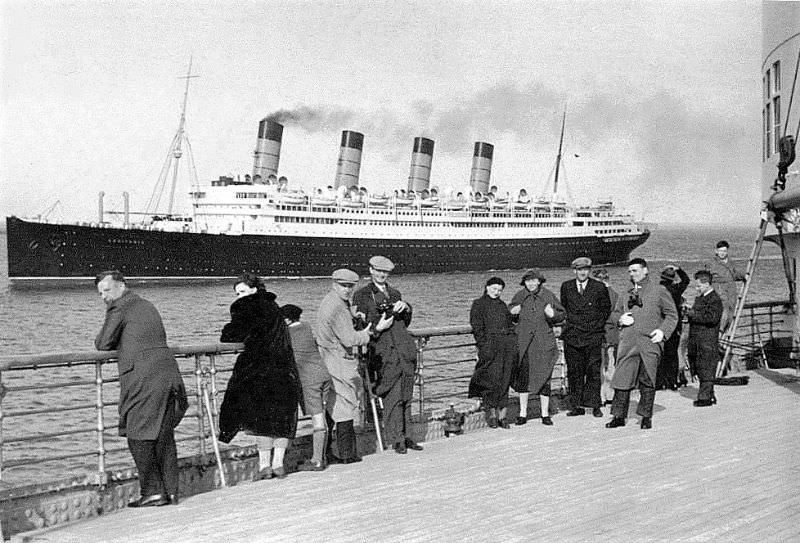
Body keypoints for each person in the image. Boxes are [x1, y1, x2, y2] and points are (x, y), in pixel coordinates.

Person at [94, 270, 188, 507]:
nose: (104, 296)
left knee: (137, 434)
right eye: (100, 293)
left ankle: (153, 491)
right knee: (163, 436)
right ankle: (171, 492)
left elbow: (103, 342)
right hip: (168, 374)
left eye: (107, 290)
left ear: (121, 286)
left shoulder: (119, 307)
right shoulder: (146, 305)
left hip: (144, 378)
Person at [217, 273, 300, 481]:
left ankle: (264, 466)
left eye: (242, 291)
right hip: (283, 368)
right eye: (237, 293)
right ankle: (279, 464)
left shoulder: (244, 306)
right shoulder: (274, 306)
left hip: (259, 370)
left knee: (261, 418)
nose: (239, 296)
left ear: (254, 290)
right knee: (282, 416)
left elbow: (231, 335)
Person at [316, 269, 388, 464]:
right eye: (344, 285)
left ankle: (326, 453)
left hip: (328, 360)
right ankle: (347, 455)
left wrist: (353, 314)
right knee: (345, 407)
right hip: (339, 362)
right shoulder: (337, 307)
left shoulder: (332, 301)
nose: (348, 290)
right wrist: (372, 331)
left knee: (332, 407)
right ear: (334, 284)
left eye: (350, 286)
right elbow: (349, 339)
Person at [353, 256, 423, 455]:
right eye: (378, 271)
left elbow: (405, 323)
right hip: (383, 353)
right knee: (392, 397)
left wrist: (406, 307)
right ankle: (397, 439)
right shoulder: (362, 295)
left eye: (385, 272)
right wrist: (377, 326)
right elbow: (359, 327)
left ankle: (408, 436)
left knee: (407, 397)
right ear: (371, 270)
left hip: (404, 351)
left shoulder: (395, 293)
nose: (382, 275)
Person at [606, 258, 678, 430]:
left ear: (645, 270)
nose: (632, 274)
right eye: (630, 271)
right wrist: (620, 319)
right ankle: (618, 416)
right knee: (622, 379)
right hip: (628, 343)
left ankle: (646, 416)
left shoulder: (659, 290)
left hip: (649, 342)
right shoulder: (625, 293)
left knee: (648, 380)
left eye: (635, 270)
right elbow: (615, 314)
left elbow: (672, 315)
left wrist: (662, 332)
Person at [509, 269, 565, 426]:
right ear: (524, 283)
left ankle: (545, 414)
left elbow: (561, 315)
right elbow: (509, 313)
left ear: (539, 281)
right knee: (523, 378)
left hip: (543, 343)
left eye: (534, 281)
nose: (531, 284)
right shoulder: (520, 295)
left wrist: (552, 313)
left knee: (544, 377)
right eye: (528, 281)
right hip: (524, 344)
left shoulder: (548, 295)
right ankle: (522, 413)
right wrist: (513, 311)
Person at [280, 304, 333, 471]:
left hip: (309, 380)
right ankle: (321, 456)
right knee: (322, 415)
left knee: (317, 420)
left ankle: (317, 460)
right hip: (323, 374)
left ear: (286, 319)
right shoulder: (306, 327)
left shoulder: (287, 334)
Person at [559, 257, 612, 418]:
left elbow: (606, 309)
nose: (582, 272)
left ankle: (594, 405)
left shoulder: (599, 287)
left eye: (585, 269)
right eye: (579, 269)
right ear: (574, 270)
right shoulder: (566, 286)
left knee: (593, 371)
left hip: (592, 336)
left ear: (589, 271)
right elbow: (565, 307)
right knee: (574, 372)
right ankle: (576, 405)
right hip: (573, 336)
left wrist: (596, 327)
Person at [468, 277, 518, 429]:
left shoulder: (502, 305)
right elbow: (477, 327)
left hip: (506, 347)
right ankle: (492, 416)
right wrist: (484, 347)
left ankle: (503, 416)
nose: (496, 292)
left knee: (504, 380)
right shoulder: (478, 304)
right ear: (487, 287)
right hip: (490, 347)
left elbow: (509, 324)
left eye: (499, 290)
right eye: (494, 289)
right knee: (490, 382)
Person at [684, 270, 724, 407]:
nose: (697, 289)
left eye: (699, 286)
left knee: (706, 367)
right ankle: (709, 395)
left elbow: (712, 319)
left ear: (707, 284)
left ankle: (705, 398)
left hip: (707, 340)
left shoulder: (714, 300)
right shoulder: (702, 298)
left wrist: (692, 314)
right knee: (700, 366)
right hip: (698, 339)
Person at [656, 265, 690, 390]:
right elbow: (686, 280)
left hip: (659, 324)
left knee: (659, 353)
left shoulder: (657, 289)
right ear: (672, 279)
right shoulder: (676, 289)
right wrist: (679, 269)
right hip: (675, 325)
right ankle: (673, 381)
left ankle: (660, 382)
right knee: (672, 354)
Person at [705, 240, 746, 335]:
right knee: (724, 308)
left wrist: (744, 275)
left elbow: (734, 275)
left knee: (731, 310)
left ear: (727, 251)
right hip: (719, 287)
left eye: (724, 251)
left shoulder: (730, 263)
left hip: (731, 288)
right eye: (720, 251)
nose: (722, 253)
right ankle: (720, 332)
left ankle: (726, 334)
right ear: (716, 251)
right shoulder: (711, 263)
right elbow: (706, 278)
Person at [592, 268, 619, 406]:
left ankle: (601, 395)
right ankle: (610, 394)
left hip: (599, 333)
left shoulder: (596, 295)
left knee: (600, 365)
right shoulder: (615, 295)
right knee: (611, 365)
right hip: (612, 334)